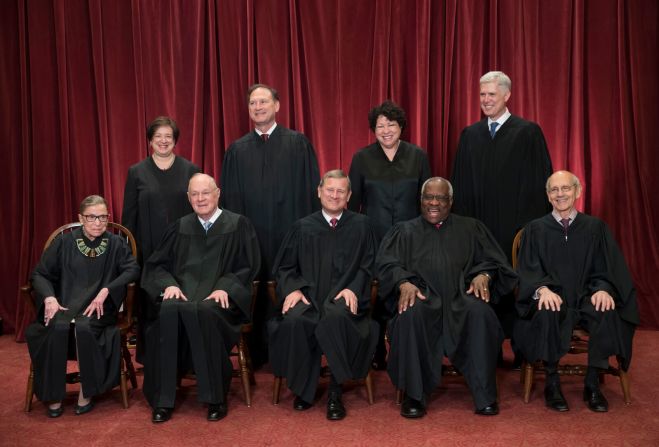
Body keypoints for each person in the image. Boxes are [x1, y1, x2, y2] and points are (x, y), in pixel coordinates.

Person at [376, 177, 517, 418]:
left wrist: (484, 274)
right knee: (410, 314)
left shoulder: (471, 228)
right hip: (421, 296)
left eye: (440, 198)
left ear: (450, 202)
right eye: (428, 197)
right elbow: (386, 265)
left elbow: (495, 262)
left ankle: (484, 395)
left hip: (461, 297)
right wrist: (403, 282)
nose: (433, 202)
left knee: (480, 313)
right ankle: (414, 394)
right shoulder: (404, 231)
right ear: (420, 200)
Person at [513, 170, 638, 413]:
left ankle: (592, 383)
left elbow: (608, 268)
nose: (560, 194)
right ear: (548, 196)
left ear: (578, 192)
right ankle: (552, 382)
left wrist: (603, 289)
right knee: (547, 309)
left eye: (566, 188)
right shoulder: (535, 230)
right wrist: (542, 289)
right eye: (554, 190)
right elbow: (527, 271)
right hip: (555, 298)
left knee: (606, 309)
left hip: (586, 296)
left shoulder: (596, 228)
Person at [140, 173, 260, 423]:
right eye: (194, 194)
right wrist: (169, 285)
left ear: (217, 193)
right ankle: (163, 399)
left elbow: (249, 266)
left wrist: (225, 286)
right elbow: (156, 266)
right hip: (183, 296)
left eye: (205, 192)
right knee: (168, 310)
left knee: (205, 312)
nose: (200, 198)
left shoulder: (238, 225)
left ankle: (215, 397)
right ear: (188, 198)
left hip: (220, 301)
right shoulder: (180, 227)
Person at [451, 71, 553, 355]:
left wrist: (528, 232)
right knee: (482, 287)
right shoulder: (470, 135)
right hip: (480, 230)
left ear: (507, 95)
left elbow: (538, 186)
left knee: (517, 286)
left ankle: (523, 350)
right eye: (482, 95)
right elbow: (460, 186)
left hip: (514, 229)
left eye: (491, 94)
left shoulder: (528, 132)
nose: (485, 100)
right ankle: (487, 350)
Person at [221, 83, 320, 366]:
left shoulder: (298, 144)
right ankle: (255, 353)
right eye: (253, 103)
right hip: (251, 236)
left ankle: (290, 352)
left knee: (288, 286)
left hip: (290, 234)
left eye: (264, 101)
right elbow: (228, 203)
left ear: (277, 106)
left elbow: (311, 193)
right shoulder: (237, 151)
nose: (258, 107)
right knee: (254, 287)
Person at [268, 170, 378, 420]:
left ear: (349, 195)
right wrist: (293, 289)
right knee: (296, 320)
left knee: (336, 317)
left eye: (341, 191)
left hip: (345, 297)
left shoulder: (362, 226)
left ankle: (335, 392)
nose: (335, 195)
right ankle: (303, 390)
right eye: (330, 190)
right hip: (309, 296)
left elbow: (369, 265)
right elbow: (285, 267)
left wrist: (354, 288)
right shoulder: (302, 227)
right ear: (319, 192)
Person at [25, 195, 140, 417]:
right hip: (65, 303)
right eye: (91, 217)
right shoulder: (64, 242)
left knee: (85, 326)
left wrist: (108, 289)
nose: (98, 222)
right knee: (57, 326)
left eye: (103, 217)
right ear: (81, 218)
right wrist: (49, 297)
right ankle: (54, 394)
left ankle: (87, 392)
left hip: (98, 308)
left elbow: (132, 270)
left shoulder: (116, 244)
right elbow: (40, 274)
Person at [348, 100, 431, 370]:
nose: (385, 130)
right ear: (373, 129)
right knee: (376, 292)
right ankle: (375, 350)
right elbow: (353, 203)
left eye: (391, 125)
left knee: (407, 286)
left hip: (411, 238)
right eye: (380, 126)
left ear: (401, 127)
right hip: (374, 235)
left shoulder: (417, 156)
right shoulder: (362, 158)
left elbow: (427, 200)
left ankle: (404, 346)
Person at [122, 116, 200, 361]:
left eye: (168, 136)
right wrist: (132, 255)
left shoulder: (190, 170)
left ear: (175, 140)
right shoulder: (136, 172)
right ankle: (153, 357)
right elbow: (129, 216)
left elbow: (200, 209)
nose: (163, 141)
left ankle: (185, 357)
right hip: (149, 250)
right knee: (151, 305)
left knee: (183, 300)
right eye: (158, 136)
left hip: (184, 250)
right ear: (150, 141)